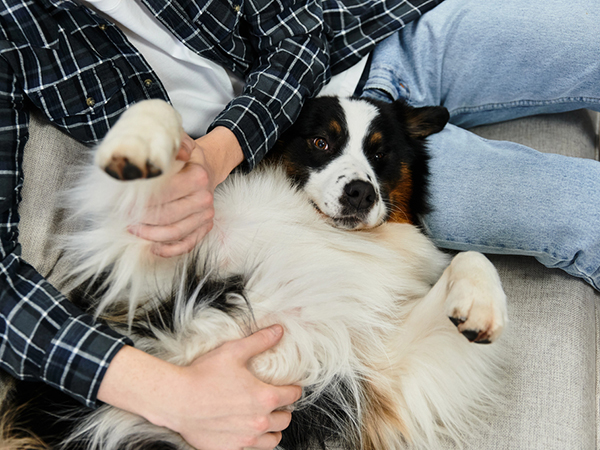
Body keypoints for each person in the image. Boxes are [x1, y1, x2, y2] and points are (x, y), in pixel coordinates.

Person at [0, 0, 598, 449]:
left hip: (372, 43)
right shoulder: (13, 25)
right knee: (579, 210)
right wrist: (170, 394)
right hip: (295, 177)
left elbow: (301, 28)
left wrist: (221, 150)